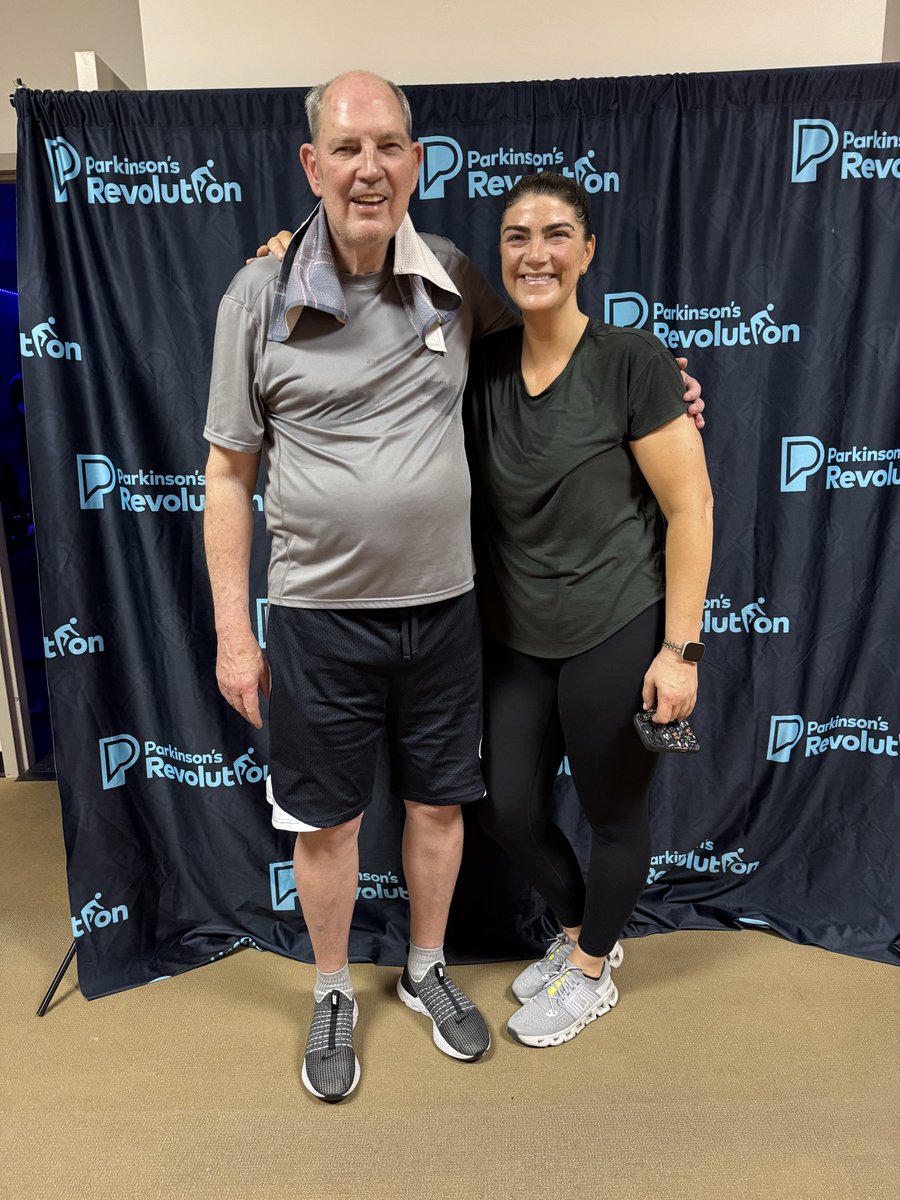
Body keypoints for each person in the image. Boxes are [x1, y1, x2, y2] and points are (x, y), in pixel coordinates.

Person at [207, 71, 703, 1104]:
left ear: (417, 161)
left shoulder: (451, 276)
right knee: (329, 825)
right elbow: (227, 473)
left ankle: (429, 968)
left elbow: (559, 354)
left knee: (441, 808)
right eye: (347, 148)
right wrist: (233, 636)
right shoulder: (258, 295)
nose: (369, 168)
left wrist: (667, 390)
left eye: (389, 145)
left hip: (446, 614)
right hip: (319, 617)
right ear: (312, 164)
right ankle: (333, 988)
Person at [465, 172, 714, 1047]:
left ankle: (593, 968)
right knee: (508, 809)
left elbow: (691, 507)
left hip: (617, 620)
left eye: (556, 234)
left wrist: (680, 651)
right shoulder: (481, 364)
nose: (536, 253)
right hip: (516, 630)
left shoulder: (632, 360)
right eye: (517, 236)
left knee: (614, 815)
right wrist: (287, 252)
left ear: (588, 250)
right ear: (500, 254)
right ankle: (580, 936)